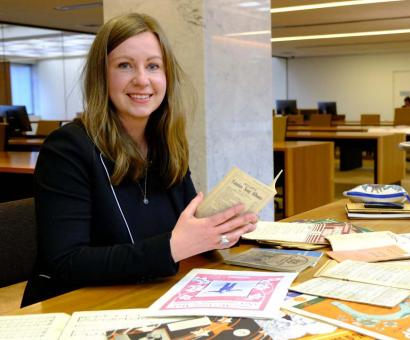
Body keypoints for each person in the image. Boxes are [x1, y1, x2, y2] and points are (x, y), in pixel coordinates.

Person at [21, 13, 258, 306]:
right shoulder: (67, 148)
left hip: (149, 297)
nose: (142, 79)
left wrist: (217, 231)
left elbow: (185, 231)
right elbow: (66, 262)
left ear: (166, 76)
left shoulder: (166, 144)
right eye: (124, 65)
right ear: (102, 75)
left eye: (153, 66)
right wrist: (172, 247)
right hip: (78, 307)